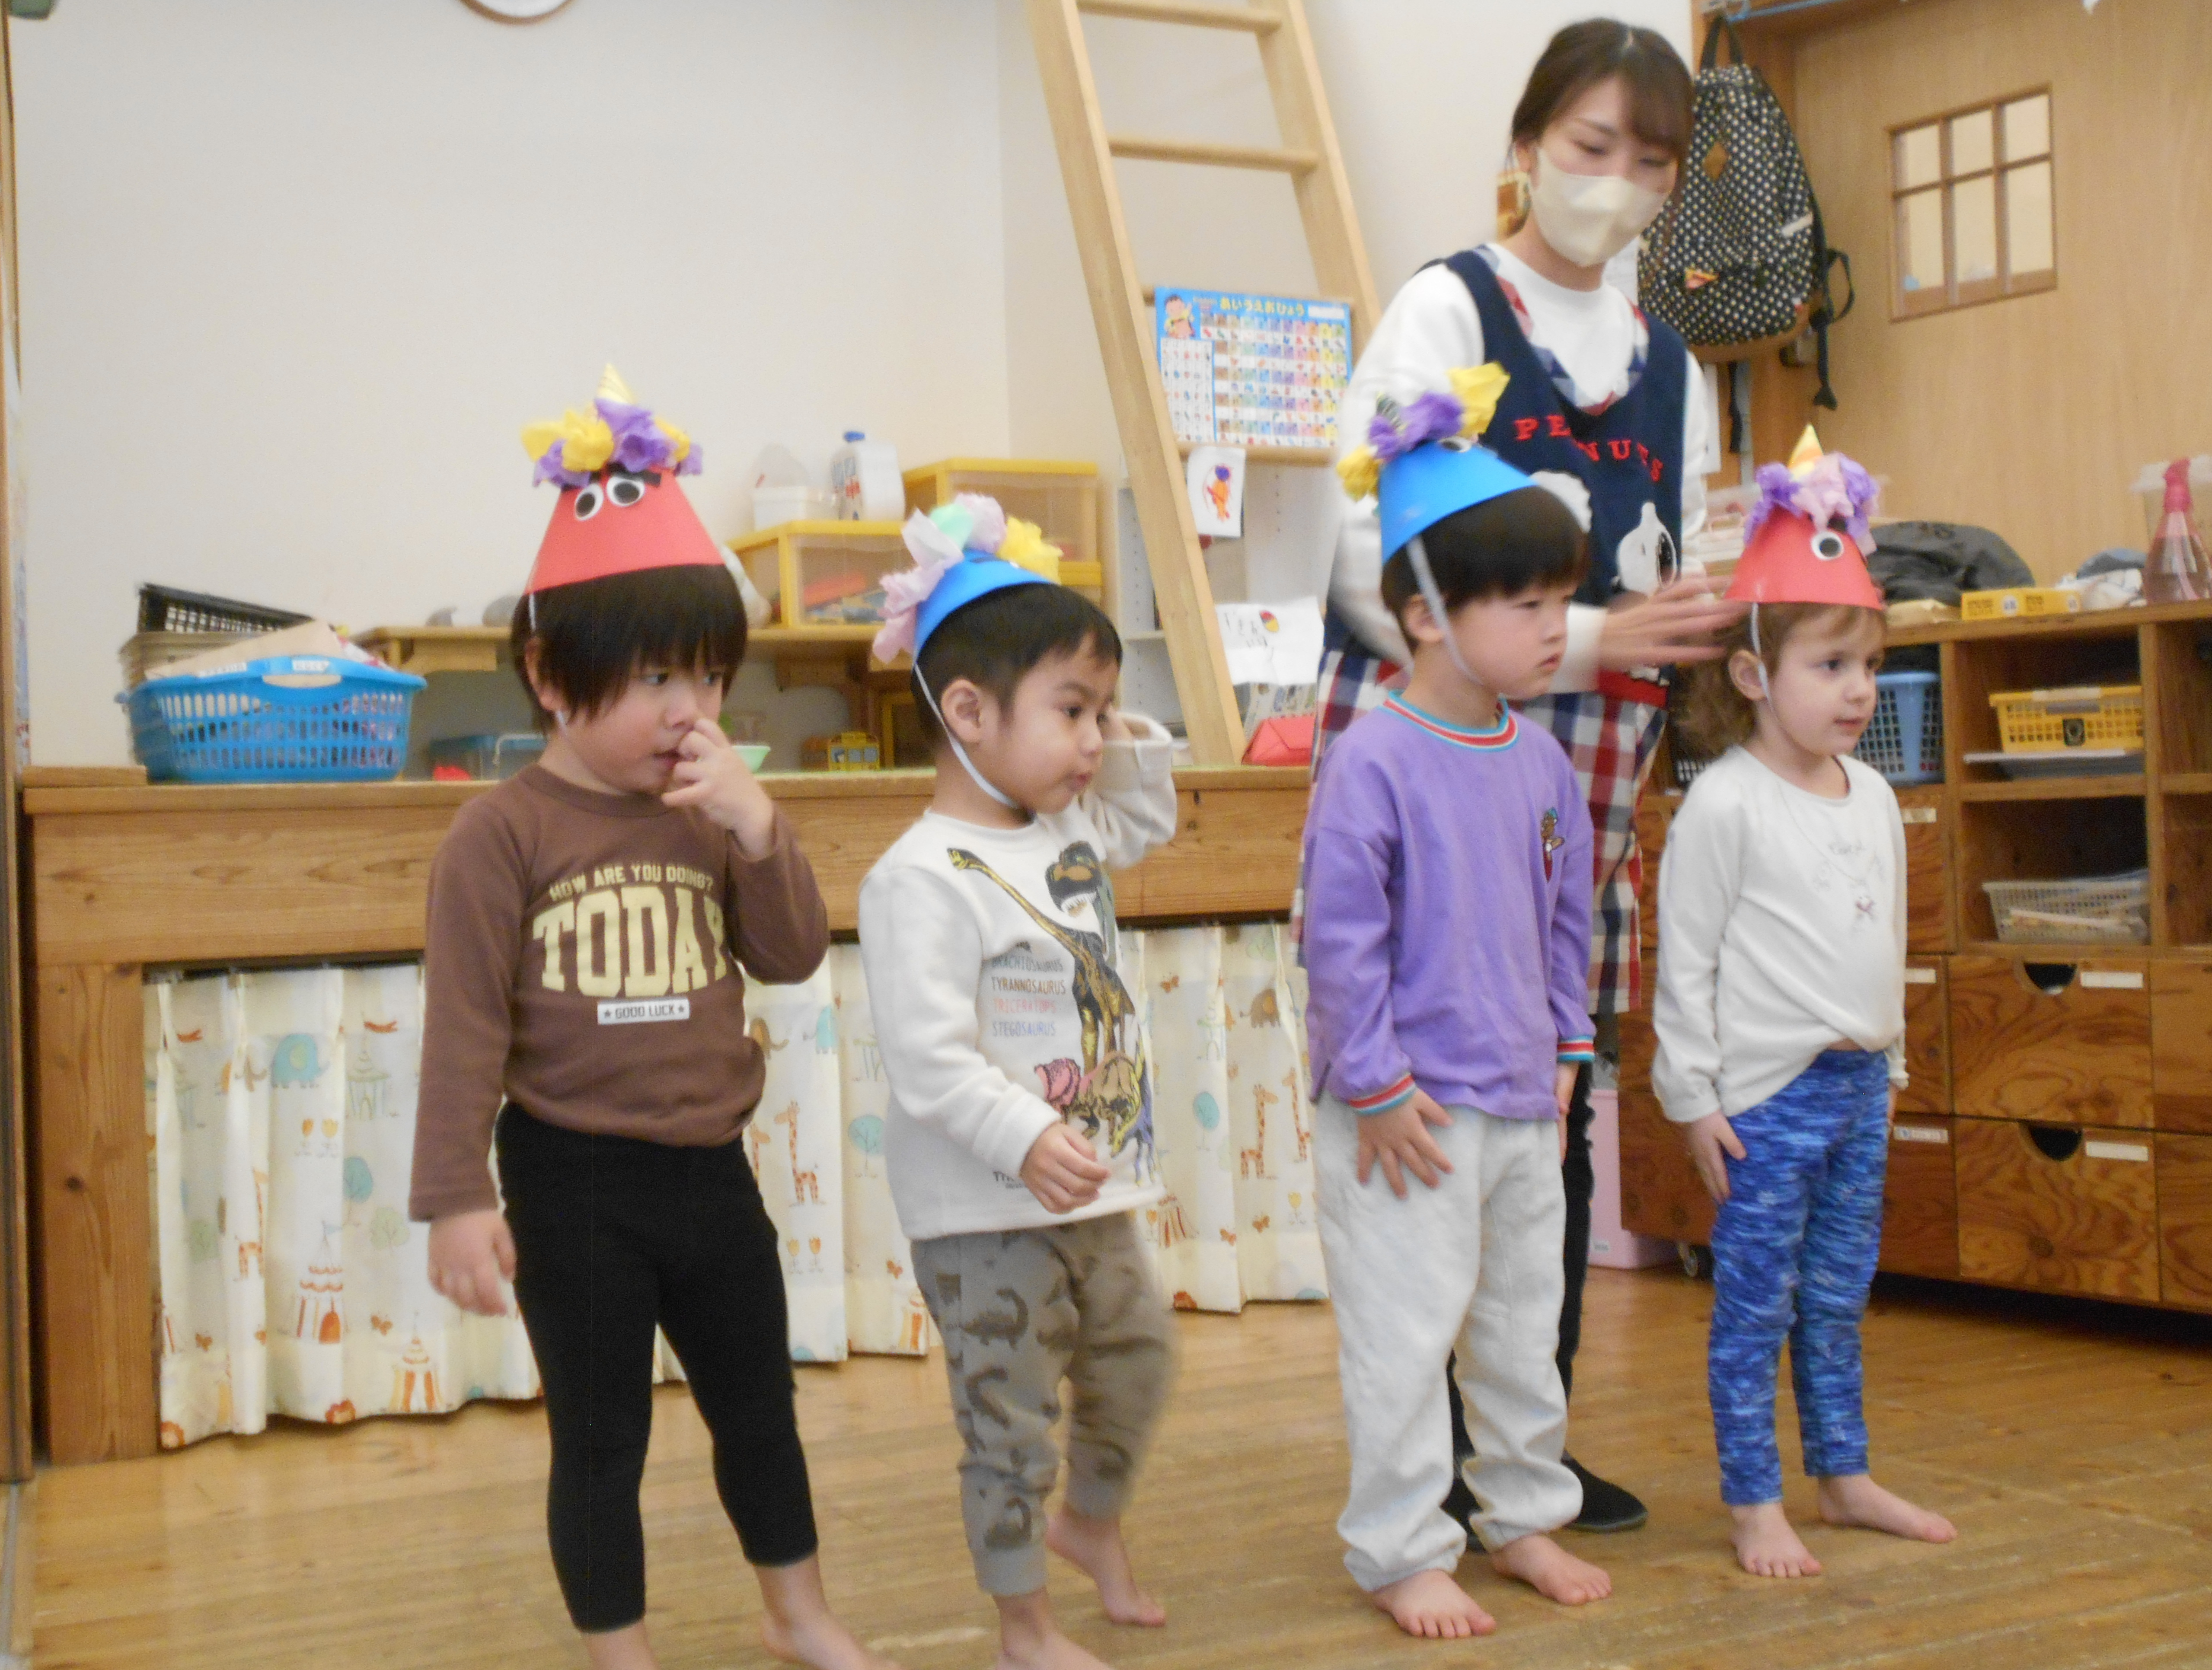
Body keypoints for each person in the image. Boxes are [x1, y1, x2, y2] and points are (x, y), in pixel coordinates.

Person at [1317, 17, 1740, 1536]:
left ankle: (1525, 1451)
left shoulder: (1673, 364)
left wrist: (1714, 605)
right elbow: (1368, 564)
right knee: (1417, 1081)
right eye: (1589, 147)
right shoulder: (1447, 307)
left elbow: (1677, 555)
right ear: (1525, 147)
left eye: (1650, 161)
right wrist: (1600, 633)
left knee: (1550, 1092)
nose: (1616, 183)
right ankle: (1418, 1451)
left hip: (1587, 765)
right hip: (1428, 744)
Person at [410, 370, 894, 1670]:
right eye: (655, 677)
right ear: (548, 676)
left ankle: (797, 1613)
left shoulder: (712, 808)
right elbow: (463, 1030)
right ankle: (619, 1651)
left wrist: (760, 828)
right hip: (571, 1177)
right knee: (601, 1439)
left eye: (712, 677)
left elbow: (790, 956)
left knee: (760, 1407)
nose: (692, 711)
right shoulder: (499, 835)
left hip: (709, 1168)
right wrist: (456, 1198)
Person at [1304, 372, 1609, 1640]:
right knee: (1403, 1334)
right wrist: (1375, 1088)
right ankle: (1399, 1549)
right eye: (1526, 606)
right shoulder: (1370, 759)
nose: (1556, 630)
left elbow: (1567, 916)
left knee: (1522, 1326)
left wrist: (1570, 1046)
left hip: (1524, 1098)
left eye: (1562, 603)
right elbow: (1340, 943)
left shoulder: (1540, 761)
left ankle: (1524, 1514)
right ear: (1427, 616)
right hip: (1407, 1113)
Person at [857, 497, 1180, 1670]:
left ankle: (1089, 1527)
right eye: (1071, 710)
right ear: (968, 713)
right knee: (1010, 1420)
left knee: (1138, 1360)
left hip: (1089, 1187)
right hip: (986, 1207)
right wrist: (1027, 1137)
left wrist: (1109, 725)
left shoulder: (1065, 829)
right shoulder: (919, 877)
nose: (1095, 741)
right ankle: (1023, 1627)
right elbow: (929, 1059)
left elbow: (1148, 811)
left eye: (1102, 711)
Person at [1653, 434, 1959, 1579]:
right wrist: (1693, 1100)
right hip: (1764, 1103)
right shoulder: (1723, 806)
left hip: (1857, 1086)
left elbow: (1885, 940)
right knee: (1756, 1306)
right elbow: (1685, 967)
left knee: (1838, 1295)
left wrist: (1892, 1066)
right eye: (1830, 665)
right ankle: (1753, 1500)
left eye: (1868, 665)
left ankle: (1843, 1474)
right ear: (1752, 677)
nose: (1859, 691)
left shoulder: (1873, 793)